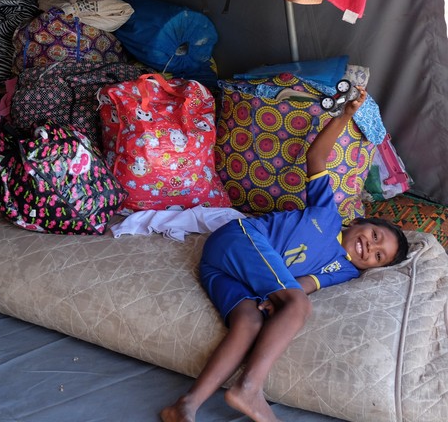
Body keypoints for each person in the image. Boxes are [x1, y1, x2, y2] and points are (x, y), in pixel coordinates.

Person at [160, 87, 409, 422]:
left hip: (226, 273)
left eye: (378, 257)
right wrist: (344, 116)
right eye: (375, 236)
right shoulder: (328, 213)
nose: (371, 248)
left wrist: (277, 298)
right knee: (298, 305)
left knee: (249, 322)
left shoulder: (346, 270)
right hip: (237, 240)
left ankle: (185, 406)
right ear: (357, 222)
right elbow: (317, 158)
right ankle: (249, 389)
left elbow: (306, 283)